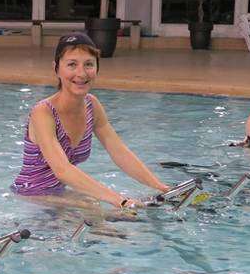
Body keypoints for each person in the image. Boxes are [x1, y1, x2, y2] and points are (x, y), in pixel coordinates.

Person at [11, 32, 170, 209]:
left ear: (97, 68)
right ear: (56, 68)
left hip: (59, 193)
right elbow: (62, 170)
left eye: (88, 64)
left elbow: (120, 152)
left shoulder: (91, 105)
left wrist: (160, 187)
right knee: (93, 206)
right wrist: (119, 200)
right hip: (32, 194)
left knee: (122, 213)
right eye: (72, 64)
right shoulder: (43, 112)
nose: (81, 73)